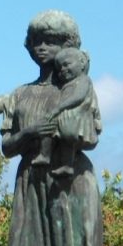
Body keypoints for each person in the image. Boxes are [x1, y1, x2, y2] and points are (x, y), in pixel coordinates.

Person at [0, 10, 104, 246]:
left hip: (70, 185)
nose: (43, 47)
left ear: (69, 46)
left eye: (52, 41)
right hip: (31, 184)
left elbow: (91, 136)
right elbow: (7, 146)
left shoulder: (81, 87)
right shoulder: (21, 94)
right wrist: (29, 133)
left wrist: (64, 131)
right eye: (37, 40)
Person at [34, 47, 98, 177]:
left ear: (81, 63)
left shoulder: (83, 80)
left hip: (76, 118)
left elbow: (78, 97)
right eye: (60, 68)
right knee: (50, 128)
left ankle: (65, 164)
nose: (63, 70)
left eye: (66, 65)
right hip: (66, 117)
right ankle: (46, 155)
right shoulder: (67, 84)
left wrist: (59, 108)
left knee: (67, 139)